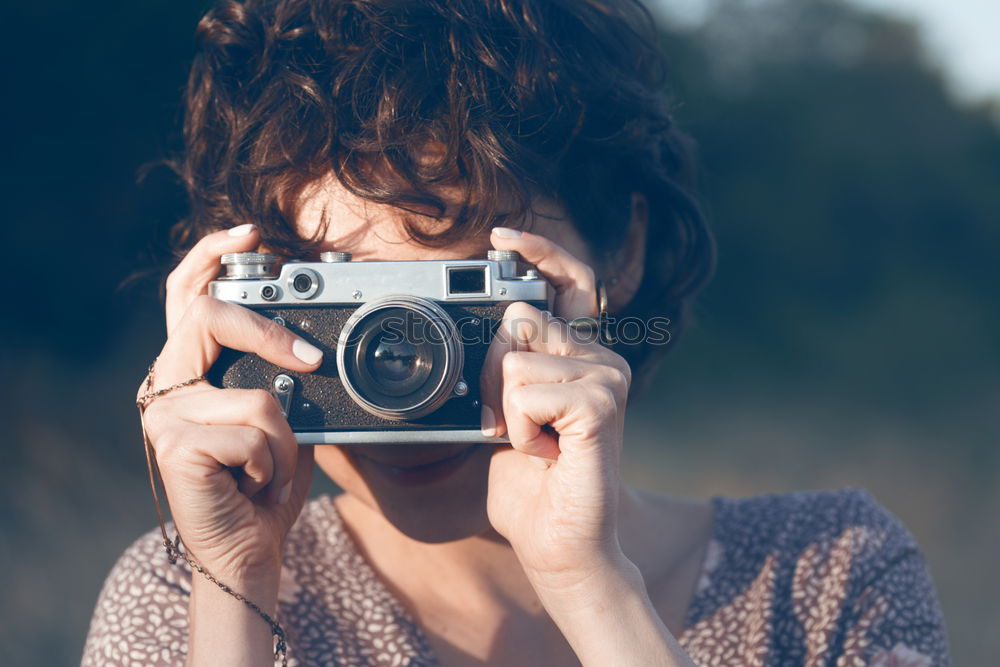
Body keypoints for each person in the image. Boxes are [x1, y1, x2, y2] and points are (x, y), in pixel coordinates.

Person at [82, 0, 949, 665]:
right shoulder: (183, 593)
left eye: (461, 297)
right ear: (248, 306)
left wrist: (592, 588)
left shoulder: (831, 572)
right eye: (338, 302)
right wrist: (232, 588)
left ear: (623, 248)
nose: (402, 369)